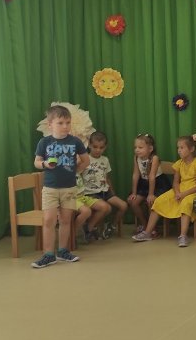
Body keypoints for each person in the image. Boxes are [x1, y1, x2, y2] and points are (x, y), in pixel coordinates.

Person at [31, 104, 90, 268]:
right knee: (49, 220)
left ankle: (63, 251)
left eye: (68, 122)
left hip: (69, 188)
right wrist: (45, 164)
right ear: (50, 124)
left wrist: (75, 170)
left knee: (65, 220)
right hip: (50, 189)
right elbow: (36, 162)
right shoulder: (44, 142)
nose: (65, 126)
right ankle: (48, 254)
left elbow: (86, 160)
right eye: (60, 123)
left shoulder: (75, 141)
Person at [132, 135, 196, 247]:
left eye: (182, 148)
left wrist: (183, 194)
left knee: (186, 203)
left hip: (193, 192)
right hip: (180, 190)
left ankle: (183, 236)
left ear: (191, 149)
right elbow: (175, 182)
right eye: (178, 148)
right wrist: (177, 192)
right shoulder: (179, 163)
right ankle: (147, 232)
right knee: (159, 201)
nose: (179, 150)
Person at [80, 131, 127, 240]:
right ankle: (89, 228)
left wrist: (112, 191)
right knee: (105, 208)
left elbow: (107, 177)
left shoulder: (105, 160)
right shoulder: (85, 159)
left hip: (105, 191)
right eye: (95, 147)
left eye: (101, 147)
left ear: (105, 147)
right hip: (90, 193)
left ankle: (111, 226)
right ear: (89, 145)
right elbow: (78, 176)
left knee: (123, 205)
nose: (98, 150)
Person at [127, 133, 170, 235]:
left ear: (150, 148)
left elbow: (152, 176)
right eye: (135, 147)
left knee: (151, 201)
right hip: (144, 184)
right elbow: (136, 174)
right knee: (133, 202)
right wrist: (134, 192)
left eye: (140, 147)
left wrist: (150, 194)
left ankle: (153, 228)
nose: (137, 150)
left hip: (158, 184)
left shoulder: (154, 158)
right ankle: (145, 225)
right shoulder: (136, 157)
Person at [75, 173, 111, 243]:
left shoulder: (78, 170)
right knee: (86, 211)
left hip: (82, 197)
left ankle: (88, 229)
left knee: (105, 207)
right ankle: (73, 234)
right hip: (72, 199)